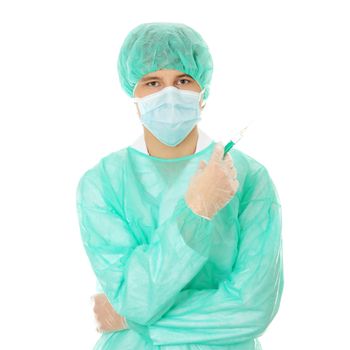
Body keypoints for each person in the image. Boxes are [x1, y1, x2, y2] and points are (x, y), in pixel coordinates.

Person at [76, 22, 284, 350]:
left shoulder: (248, 176)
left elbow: (251, 308)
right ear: (134, 92)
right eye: (153, 82)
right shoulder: (103, 183)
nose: (169, 94)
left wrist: (132, 320)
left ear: (203, 93)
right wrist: (195, 213)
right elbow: (135, 298)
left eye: (183, 80)